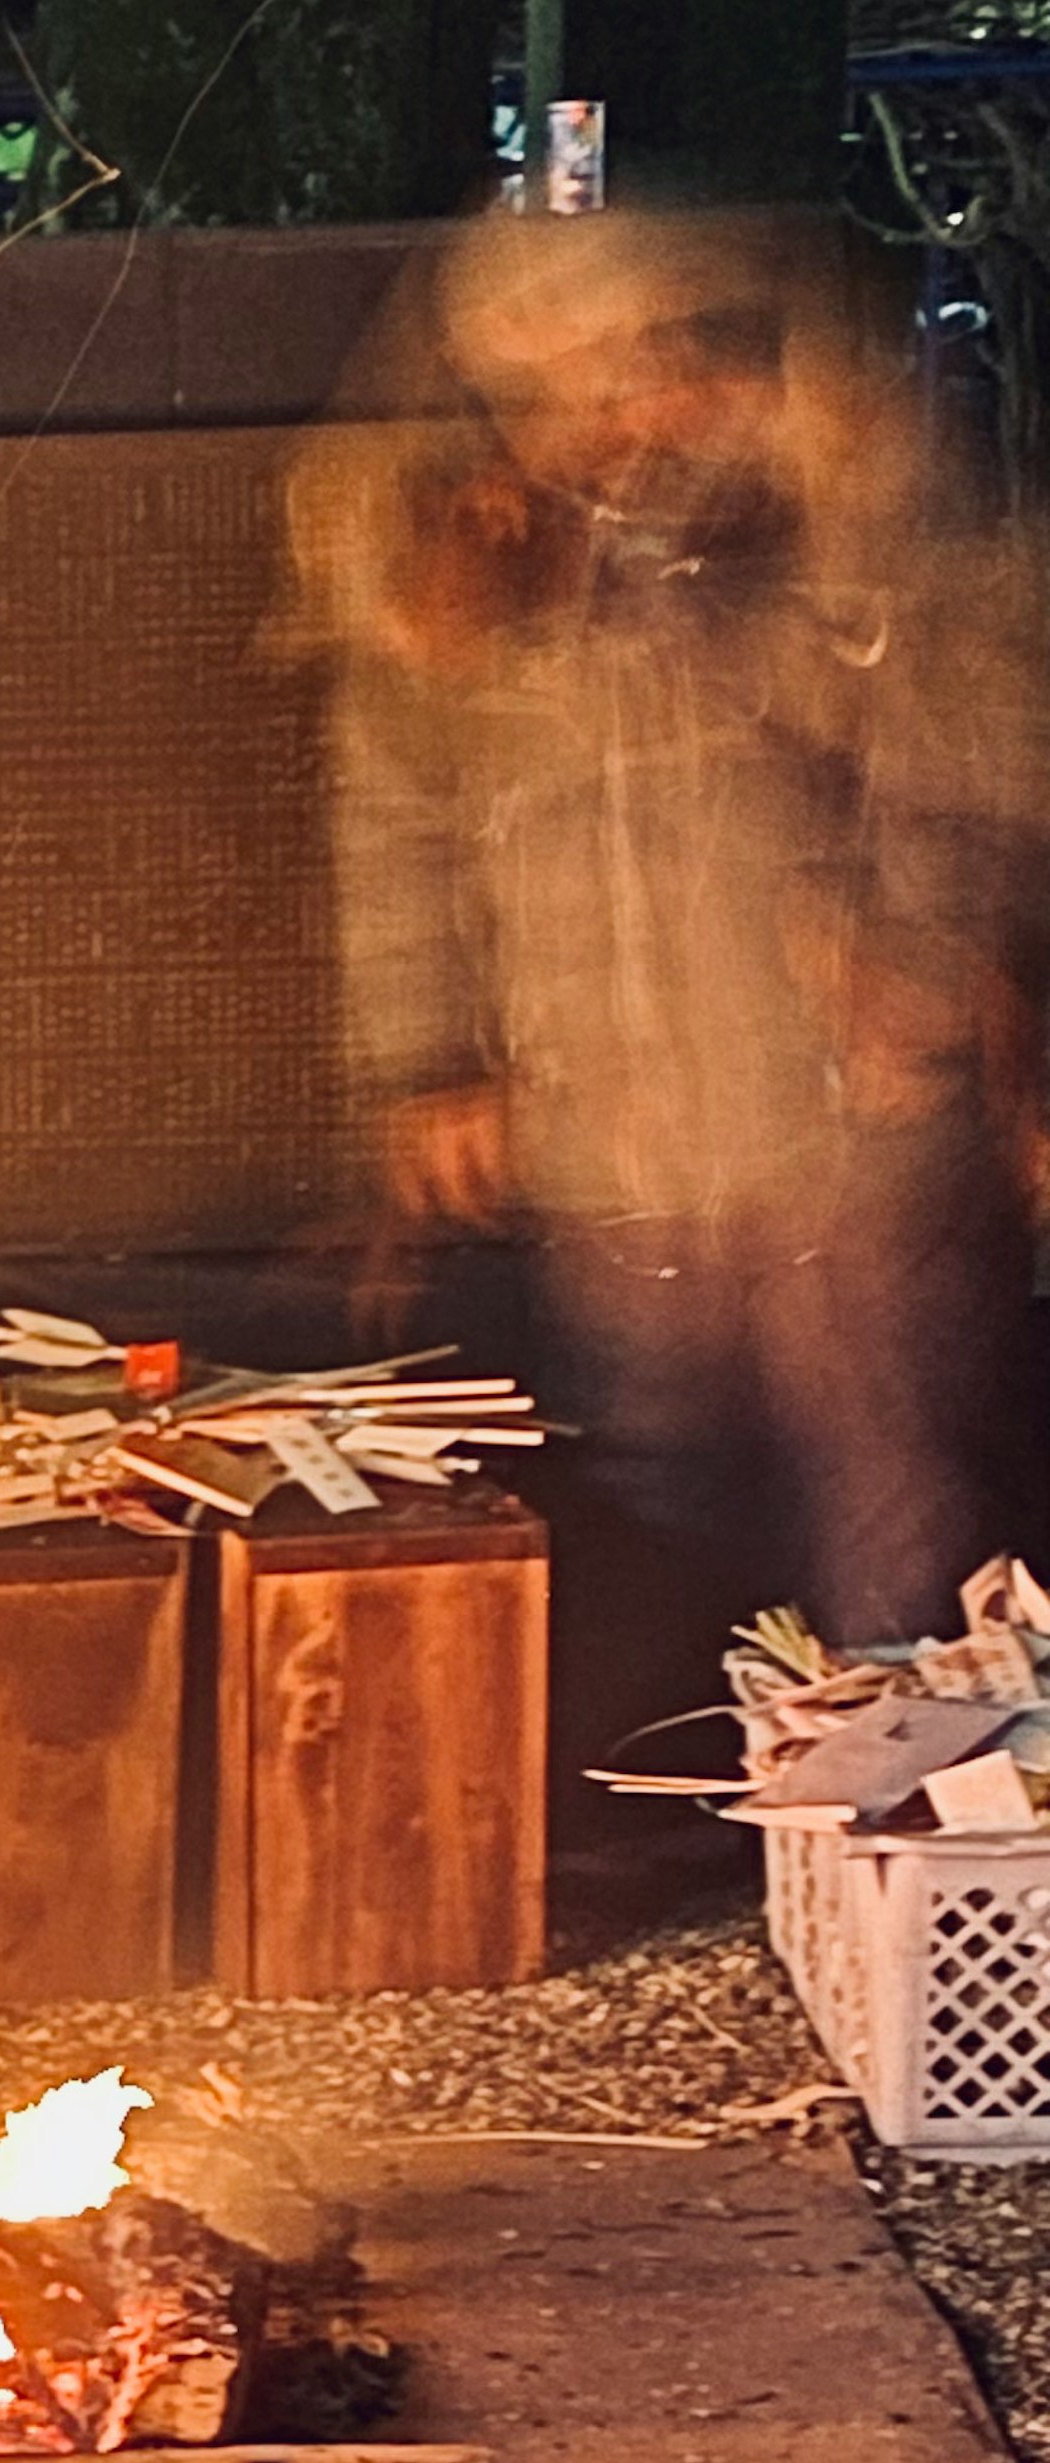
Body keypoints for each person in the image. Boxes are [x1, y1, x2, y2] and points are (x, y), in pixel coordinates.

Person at [294, 208, 1050, 1801]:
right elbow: (401, 817)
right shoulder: (471, 564)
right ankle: (724, 1811)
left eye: (637, 366)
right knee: (663, 1458)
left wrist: (913, 954)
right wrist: (431, 1060)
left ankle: (920, 1837)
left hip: (847, 1121)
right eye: (549, 384)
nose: (605, 415)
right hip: (616, 1123)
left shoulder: (850, 519)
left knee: (895, 1477)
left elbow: (974, 753)